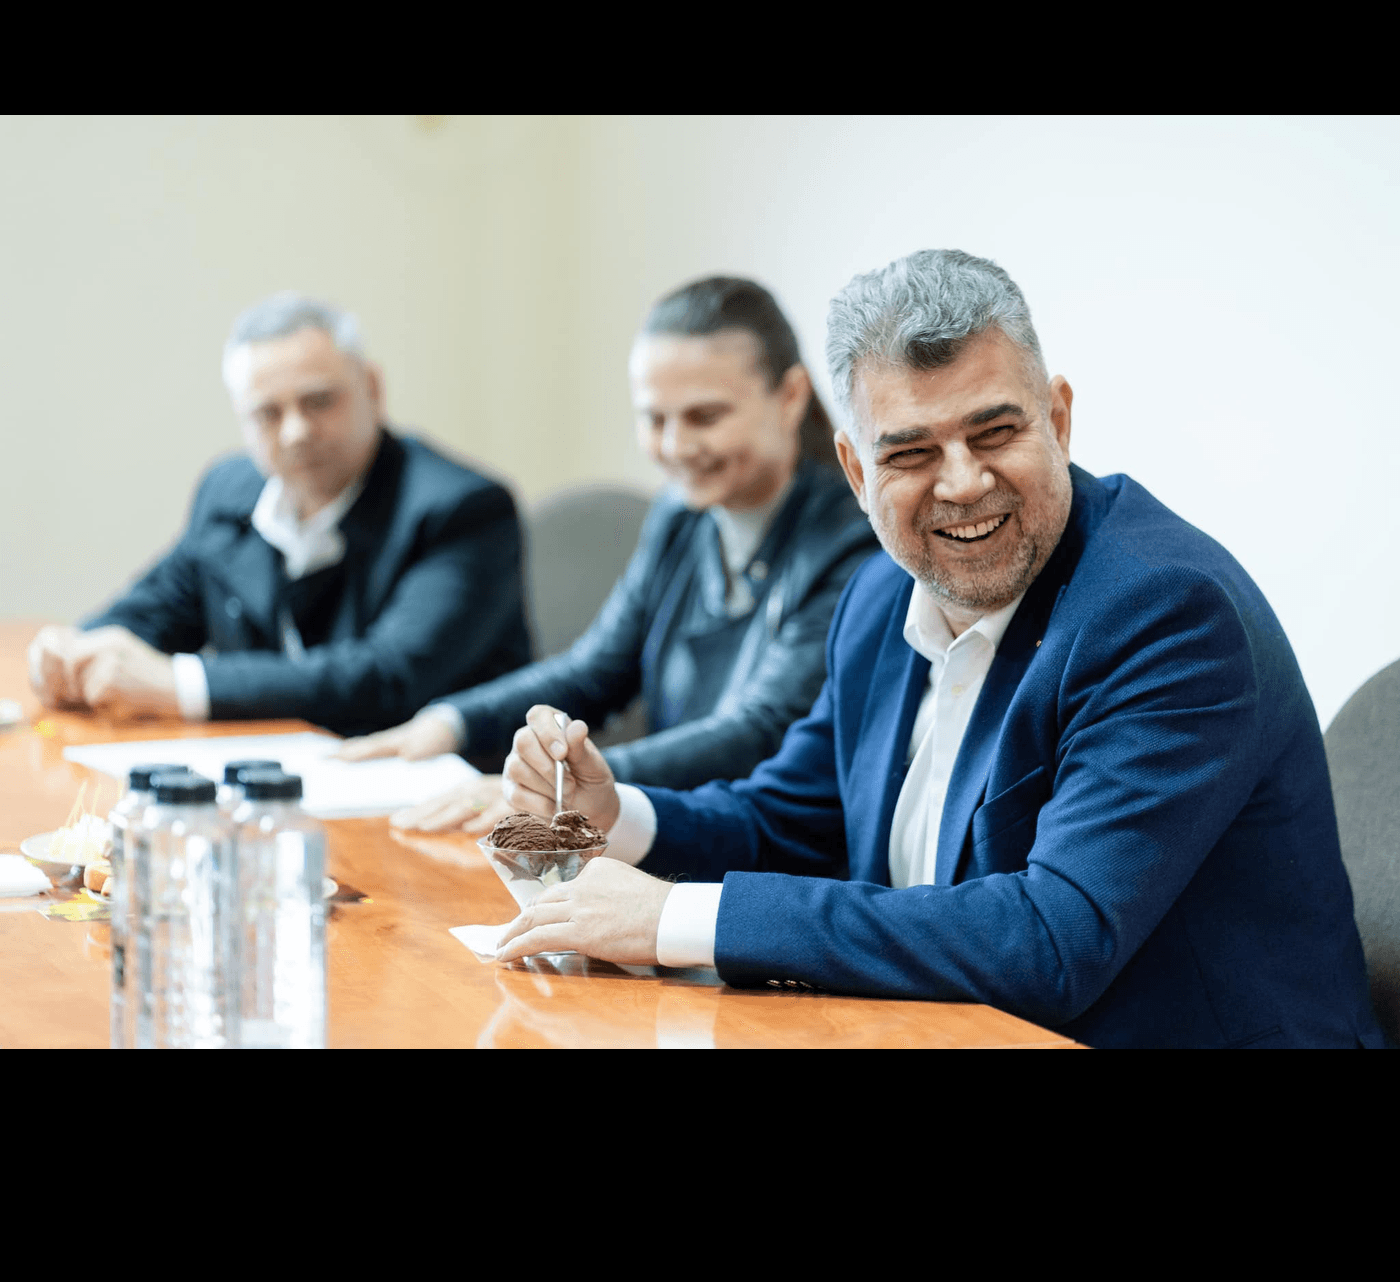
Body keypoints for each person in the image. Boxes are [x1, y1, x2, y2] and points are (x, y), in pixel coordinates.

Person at [488, 249, 1383, 1050]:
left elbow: (1053, 938)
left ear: (1059, 420)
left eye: (995, 432)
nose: (962, 482)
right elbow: (793, 819)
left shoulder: (1165, 614)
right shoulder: (879, 596)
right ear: (855, 470)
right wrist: (617, 816)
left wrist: (676, 918)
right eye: (911, 452)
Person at [341, 276, 878, 831]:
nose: (675, 446)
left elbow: (760, 731)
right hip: (673, 831)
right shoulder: (680, 515)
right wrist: (449, 723)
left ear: (790, 397)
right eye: (655, 418)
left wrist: (573, 788)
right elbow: (596, 670)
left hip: (761, 846)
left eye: (705, 417)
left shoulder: (855, 543)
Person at [28, 294, 530, 736]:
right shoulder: (230, 491)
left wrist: (177, 685)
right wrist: (76, 653)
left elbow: (390, 676)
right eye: (268, 413)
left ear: (373, 389)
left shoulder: (462, 509)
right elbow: (158, 610)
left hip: (444, 785)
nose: (296, 432)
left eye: (319, 402)